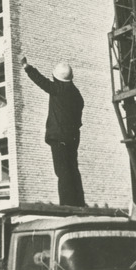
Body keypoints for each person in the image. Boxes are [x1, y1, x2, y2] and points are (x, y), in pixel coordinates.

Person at [21, 56, 85, 207]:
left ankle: (67, 205)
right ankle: (79, 203)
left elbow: (41, 81)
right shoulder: (77, 95)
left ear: (57, 78)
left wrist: (27, 67)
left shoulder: (57, 90)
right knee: (73, 169)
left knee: (62, 172)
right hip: (73, 138)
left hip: (59, 138)